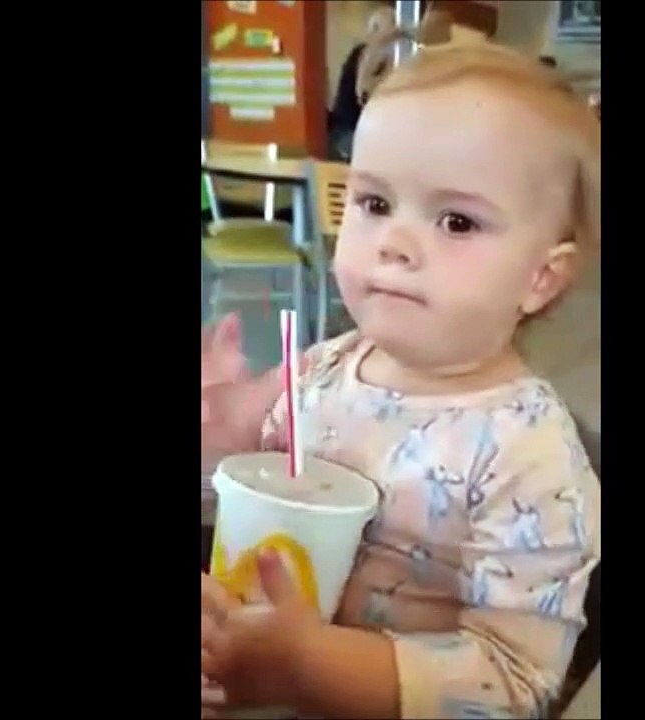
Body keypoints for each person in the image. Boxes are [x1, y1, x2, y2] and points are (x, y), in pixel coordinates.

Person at [201, 43, 601, 719]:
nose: (394, 243)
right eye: (375, 202)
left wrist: (309, 665)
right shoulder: (325, 367)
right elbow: (245, 494)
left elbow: (515, 683)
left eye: (456, 221)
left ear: (541, 278)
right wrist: (217, 425)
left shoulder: (530, 458)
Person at [328, 4, 396, 160]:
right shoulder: (365, 54)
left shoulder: (378, 53)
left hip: (354, 129)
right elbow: (364, 94)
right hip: (349, 130)